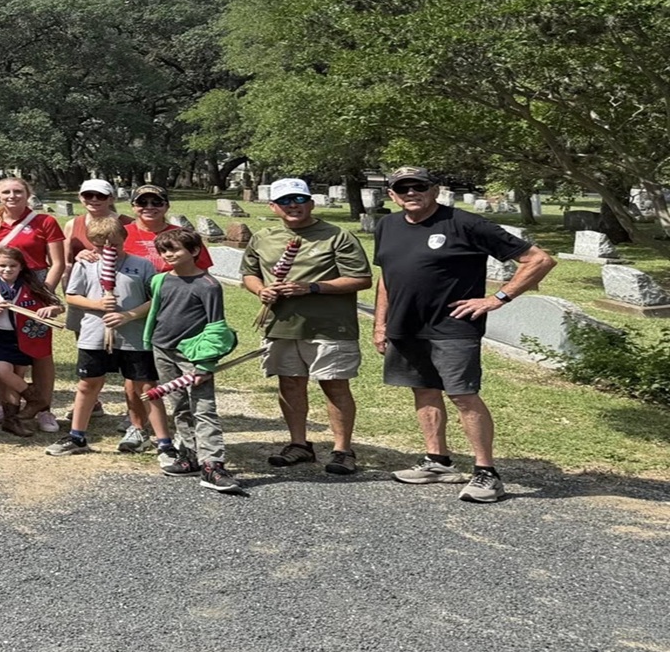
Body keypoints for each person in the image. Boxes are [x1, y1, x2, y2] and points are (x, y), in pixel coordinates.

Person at [374, 166, 555, 503]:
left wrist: (497, 298)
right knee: (424, 391)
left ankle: (487, 473)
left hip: (452, 326)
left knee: (463, 396)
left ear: (435, 190)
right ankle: (437, 461)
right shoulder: (388, 225)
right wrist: (380, 323)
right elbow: (387, 276)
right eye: (403, 188)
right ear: (392, 194)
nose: (411, 193)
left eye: (419, 186)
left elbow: (539, 260)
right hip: (406, 326)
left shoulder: (465, 223)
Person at [241, 177, 373, 475]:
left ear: (311, 203)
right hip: (281, 326)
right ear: (273, 206)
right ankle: (299, 444)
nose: (293, 206)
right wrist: (260, 290)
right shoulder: (263, 236)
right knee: (289, 384)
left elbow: (361, 279)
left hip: (329, 327)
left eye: (299, 200)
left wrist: (311, 287)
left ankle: (342, 450)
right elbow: (249, 273)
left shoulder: (336, 235)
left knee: (334, 386)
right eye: (285, 201)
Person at [48, 215, 161, 456]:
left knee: (139, 383)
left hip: (133, 335)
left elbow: (155, 300)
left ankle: (138, 431)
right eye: (100, 246)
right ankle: (77, 435)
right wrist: (98, 304)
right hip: (95, 333)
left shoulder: (142, 265)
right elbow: (72, 295)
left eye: (114, 246)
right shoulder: (85, 264)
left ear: (124, 240)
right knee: (88, 383)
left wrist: (128, 315)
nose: (108, 251)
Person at [145, 229, 242, 493]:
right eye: (164, 251)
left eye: (175, 249)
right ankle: (189, 456)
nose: (169, 255)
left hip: (193, 354)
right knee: (179, 406)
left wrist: (205, 365)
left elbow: (217, 328)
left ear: (195, 251)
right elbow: (156, 313)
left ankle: (213, 465)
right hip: (162, 349)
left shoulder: (207, 285)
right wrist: (149, 343)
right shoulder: (160, 281)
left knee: (203, 408)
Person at [0, 176, 63, 406]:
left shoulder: (45, 221)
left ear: (28, 194)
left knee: (39, 350)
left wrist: (45, 294)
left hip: (34, 287)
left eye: (18, 191)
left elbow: (57, 262)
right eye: (6, 192)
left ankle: (43, 407)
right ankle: (6, 406)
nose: (12, 196)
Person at [0, 245, 62, 436]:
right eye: (2, 265)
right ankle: (35, 399)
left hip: (22, 337)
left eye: (12, 265)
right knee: (1, 370)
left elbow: (57, 306)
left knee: (16, 378)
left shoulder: (33, 286)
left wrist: (50, 310)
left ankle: (12, 421)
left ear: (21, 267)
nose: (7, 269)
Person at [119, 184, 212, 271]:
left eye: (157, 202)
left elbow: (202, 271)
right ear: (133, 207)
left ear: (167, 206)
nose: (149, 207)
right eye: (142, 203)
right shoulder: (119, 233)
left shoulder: (185, 235)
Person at [65, 178, 128, 261]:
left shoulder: (127, 223)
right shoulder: (72, 225)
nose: (94, 199)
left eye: (101, 196)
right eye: (88, 195)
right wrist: (80, 256)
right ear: (80, 198)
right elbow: (66, 261)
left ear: (111, 199)